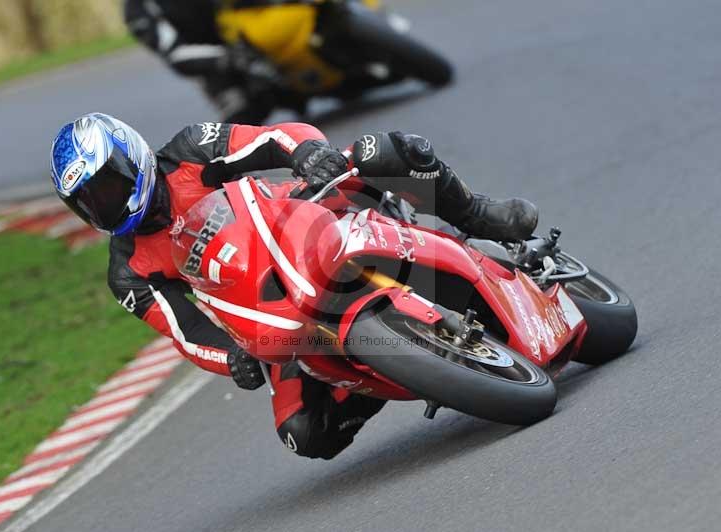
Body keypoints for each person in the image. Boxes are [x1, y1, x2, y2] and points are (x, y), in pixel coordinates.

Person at [49, 112, 537, 459]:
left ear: (129, 159)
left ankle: (477, 214)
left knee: (389, 149)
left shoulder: (189, 149)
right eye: (88, 202)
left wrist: (307, 154)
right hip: (274, 310)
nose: (104, 206)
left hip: (314, 216)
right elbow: (188, 331)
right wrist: (231, 357)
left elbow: (271, 139)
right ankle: (405, 368)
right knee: (302, 433)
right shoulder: (127, 271)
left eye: (107, 187)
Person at [124, 0, 283, 124]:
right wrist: (230, 58)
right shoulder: (140, 8)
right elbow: (176, 54)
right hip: (221, 67)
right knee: (240, 116)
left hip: (263, 33)